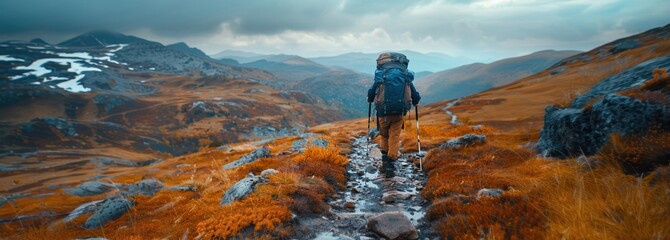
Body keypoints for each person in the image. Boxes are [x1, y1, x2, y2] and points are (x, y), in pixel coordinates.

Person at [367, 52, 421, 178]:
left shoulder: (381, 75)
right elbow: (415, 94)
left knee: (384, 136)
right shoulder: (405, 76)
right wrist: (416, 101)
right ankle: (391, 165)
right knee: (394, 136)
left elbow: (371, 92)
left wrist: (370, 98)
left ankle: (386, 164)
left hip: (383, 113)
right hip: (399, 112)